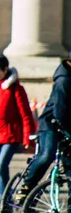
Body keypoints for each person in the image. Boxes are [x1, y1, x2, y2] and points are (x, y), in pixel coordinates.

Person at [16, 51, 71, 201]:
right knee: (47, 155)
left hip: (68, 127)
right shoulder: (64, 81)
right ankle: (26, 187)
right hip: (51, 124)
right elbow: (60, 112)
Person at [0, 55, 35, 198]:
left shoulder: (16, 89)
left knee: (0, 167)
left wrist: (28, 137)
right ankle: (4, 202)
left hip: (10, 136)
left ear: (5, 70)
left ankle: (5, 199)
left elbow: (26, 115)